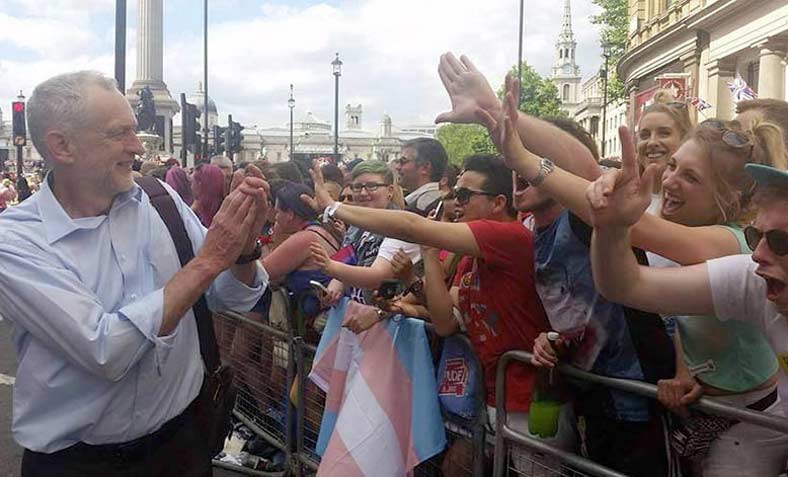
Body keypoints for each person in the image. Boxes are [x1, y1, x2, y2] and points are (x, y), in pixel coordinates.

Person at [0, 70, 270, 476]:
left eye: (135, 131)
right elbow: (105, 350)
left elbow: (227, 297)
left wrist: (245, 248)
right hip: (80, 465)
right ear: (62, 146)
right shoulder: (17, 240)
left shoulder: (160, 202)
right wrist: (211, 259)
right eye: (118, 134)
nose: (136, 148)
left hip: (182, 446)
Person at [302, 153, 550, 441]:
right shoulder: (471, 257)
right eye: (456, 193)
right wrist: (430, 254)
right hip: (496, 391)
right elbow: (444, 322)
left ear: (498, 203)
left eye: (466, 194)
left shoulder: (508, 236)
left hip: (528, 396)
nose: (457, 202)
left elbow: (410, 226)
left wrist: (333, 207)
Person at [587, 126, 788, 476]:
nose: (756, 253)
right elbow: (624, 285)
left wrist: (525, 158)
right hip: (713, 416)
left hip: (750, 421)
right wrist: (612, 228)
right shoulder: (749, 279)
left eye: (780, 242)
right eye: (756, 235)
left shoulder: (727, 242)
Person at [395, 138, 448, 216]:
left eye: (403, 161)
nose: (397, 167)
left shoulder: (422, 207)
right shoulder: (439, 201)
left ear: (425, 167)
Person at [191, 163, 226, 227]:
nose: (191, 187)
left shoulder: (197, 216)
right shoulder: (226, 210)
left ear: (200, 184)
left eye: (192, 182)